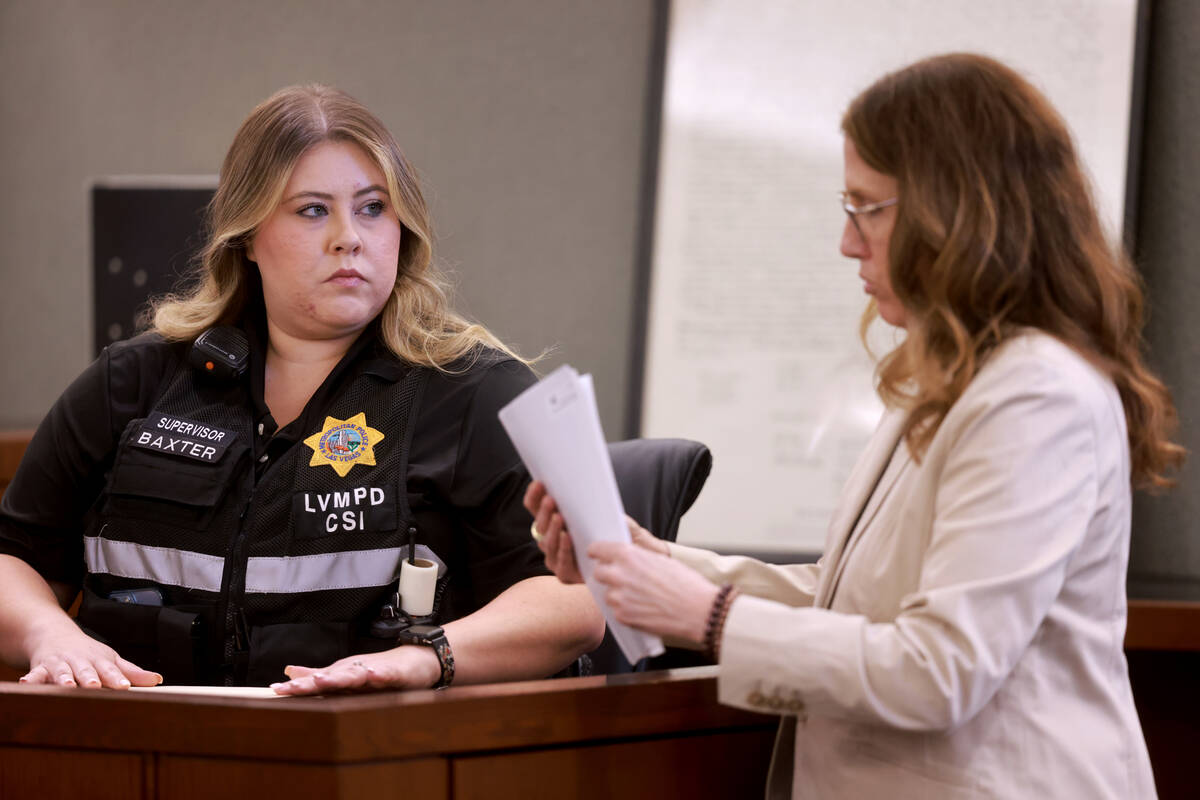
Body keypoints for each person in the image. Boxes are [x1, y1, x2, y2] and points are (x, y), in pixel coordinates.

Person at [527, 53, 1182, 798]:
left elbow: (940, 672)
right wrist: (652, 568)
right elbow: (850, 602)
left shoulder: (1038, 396)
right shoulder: (945, 374)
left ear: (957, 208)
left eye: (867, 207)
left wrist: (709, 615)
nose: (848, 242)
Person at [0, 84, 604, 694]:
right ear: (248, 235)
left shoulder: (476, 391)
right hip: (144, 751)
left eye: (373, 208)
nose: (349, 236)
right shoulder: (133, 383)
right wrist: (48, 633)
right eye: (312, 210)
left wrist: (426, 658)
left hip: (377, 758)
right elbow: (13, 559)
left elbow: (574, 602)